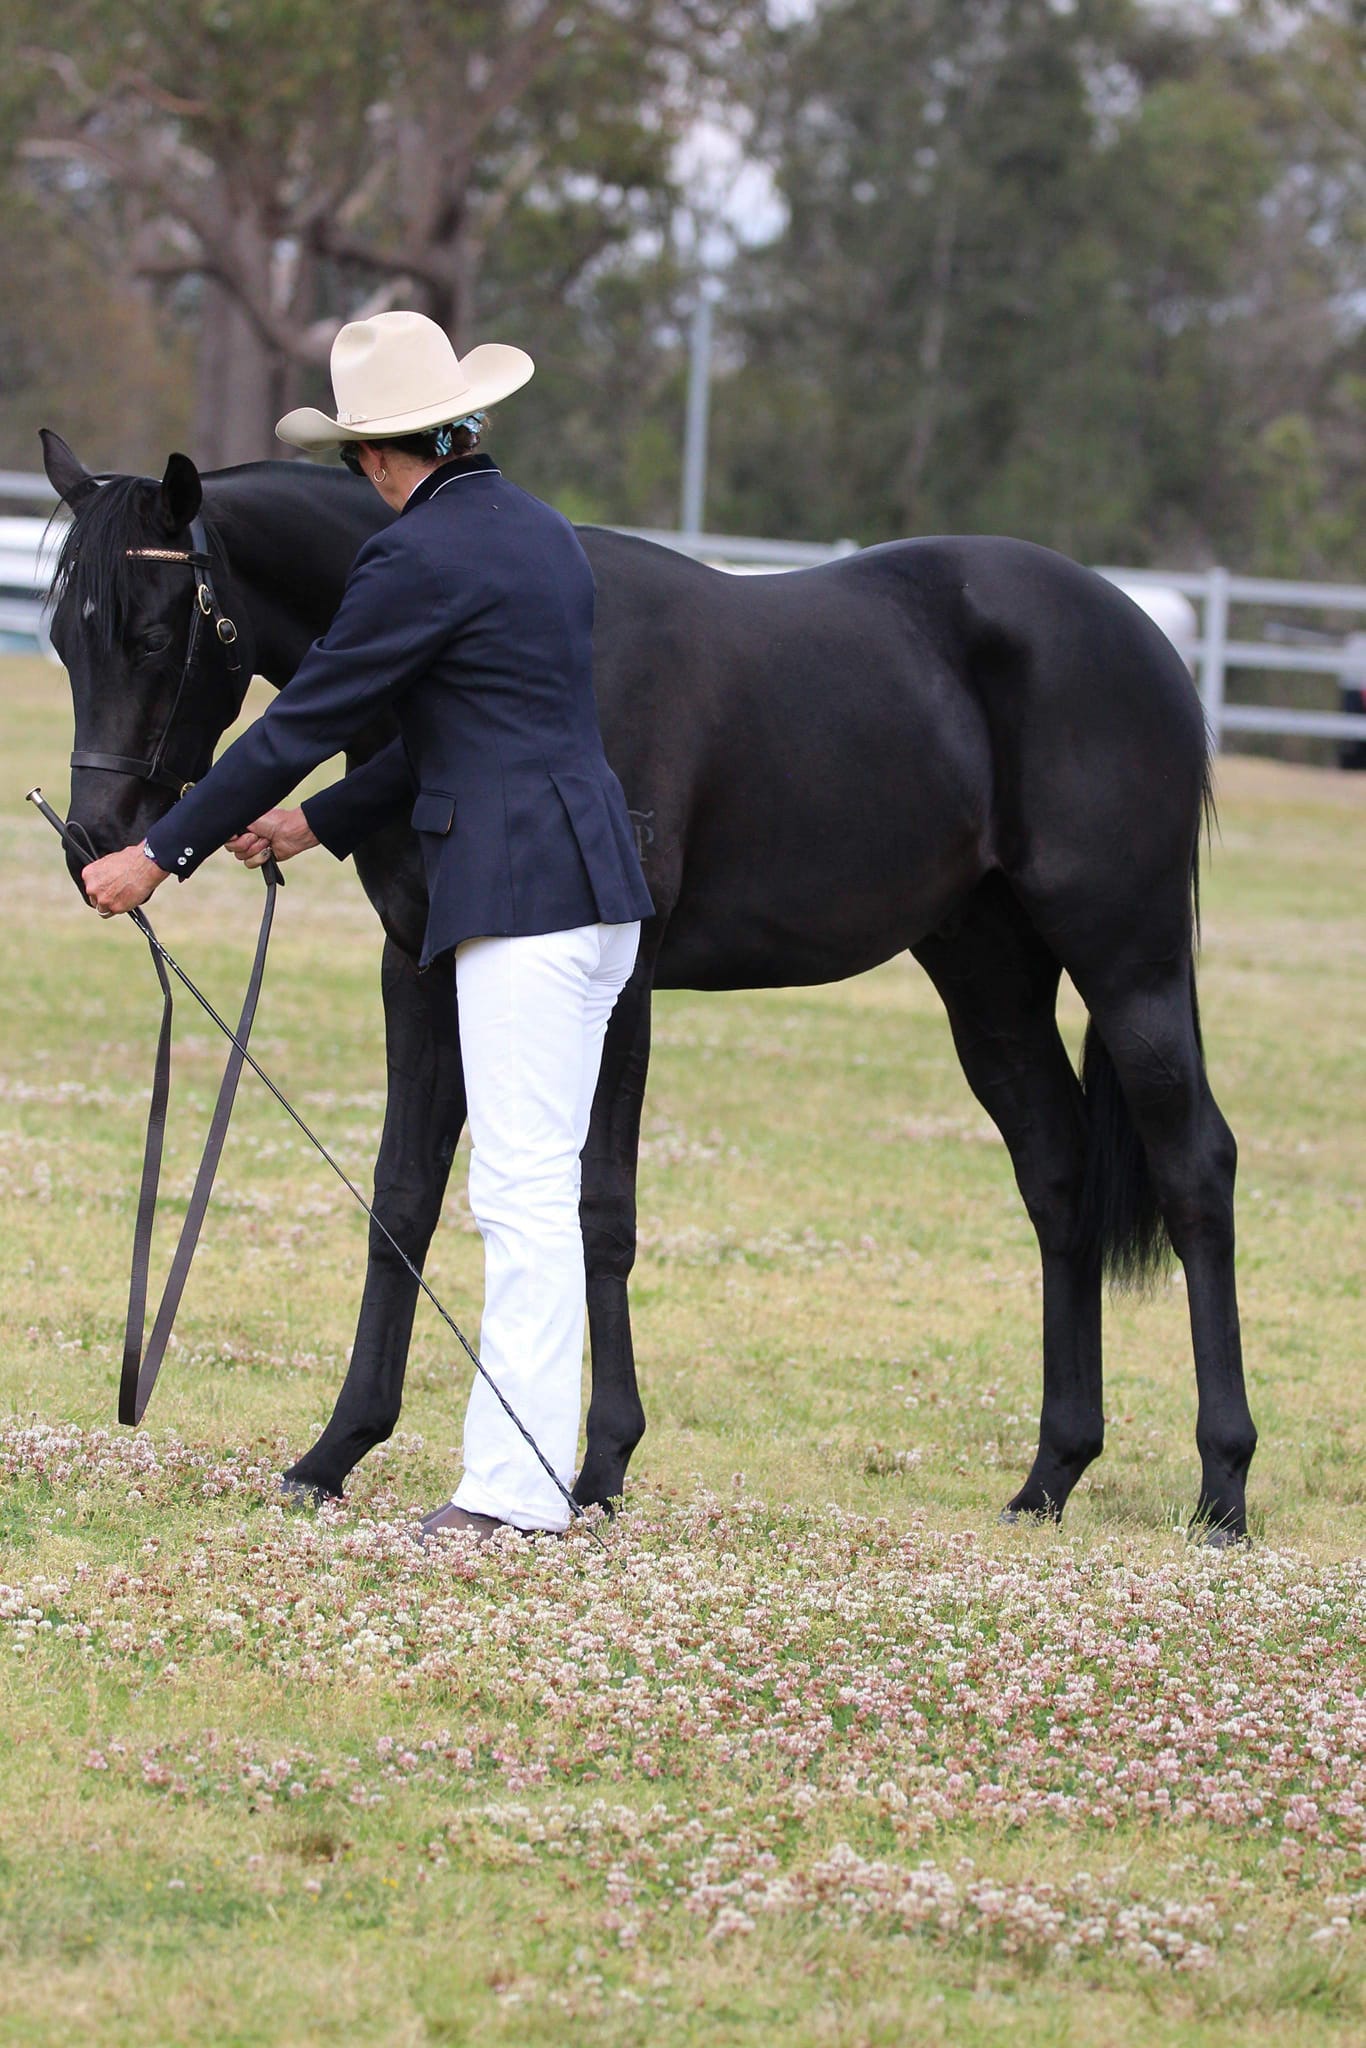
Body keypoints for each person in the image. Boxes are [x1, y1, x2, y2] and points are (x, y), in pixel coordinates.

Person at [81, 310, 654, 1540]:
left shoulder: (411, 556)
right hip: (598, 895)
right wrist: (317, 821)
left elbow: (299, 723)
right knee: (538, 1189)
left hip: (521, 901)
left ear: (379, 455)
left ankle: (513, 1496)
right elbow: (469, 724)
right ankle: (533, 1473)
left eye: (355, 456)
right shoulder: (543, 533)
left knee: (519, 1196)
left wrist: (158, 852)